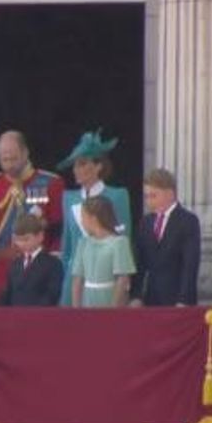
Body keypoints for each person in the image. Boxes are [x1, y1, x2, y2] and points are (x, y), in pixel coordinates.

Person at [0, 130, 64, 304]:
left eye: (13, 159)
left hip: (40, 275)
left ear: (25, 153)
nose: (9, 166)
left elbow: (58, 235)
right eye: (4, 160)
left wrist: (53, 275)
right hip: (1, 274)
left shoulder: (51, 184)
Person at [57, 129, 133, 305]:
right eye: (75, 165)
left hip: (105, 280)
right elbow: (67, 245)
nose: (76, 169)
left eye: (82, 164)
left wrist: (125, 284)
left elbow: (124, 238)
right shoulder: (69, 198)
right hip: (74, 279)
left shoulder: (118, 195)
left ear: (98, 166)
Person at [131, 168, 201, 307]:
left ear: (170, 194)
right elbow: (139, 262)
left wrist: (183, 300)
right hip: (150, 299)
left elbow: (190, 264)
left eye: (153, 196)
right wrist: (136, 295)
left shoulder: (188, 221)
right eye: (146, 196)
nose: (148, 201)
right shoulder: (145, 222)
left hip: (177, 300)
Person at [70, 196, 136, 308]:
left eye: (83, 217)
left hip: (109, 299)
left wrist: (113, 308)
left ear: (93, 218)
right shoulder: (83, 243)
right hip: (88, 301)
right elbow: (78, 278)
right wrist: (76, 309)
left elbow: (122, 279)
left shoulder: (119, 242)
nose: (81, 222)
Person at [0, 214, 63, 307]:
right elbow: (8, 294)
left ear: (40, 236)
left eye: (26, 239)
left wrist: (32, 314)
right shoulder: (15, 264)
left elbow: (52, 295)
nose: (21, 244)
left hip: (39, 317)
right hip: (14, 317)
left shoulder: (53, 264)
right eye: (18, 239)